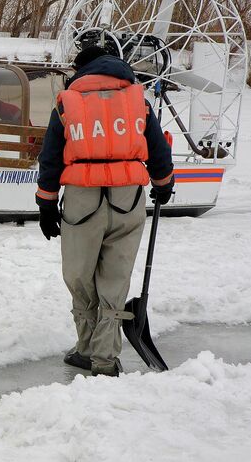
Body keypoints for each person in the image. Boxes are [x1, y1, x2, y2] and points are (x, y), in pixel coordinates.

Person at [35, 46, 175, 377]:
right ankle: (105, 359)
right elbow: (157, 149)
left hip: (83, 201)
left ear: (83, 69)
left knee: (80, 275)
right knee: (115, 278)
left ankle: (85, 349)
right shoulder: (138, 101)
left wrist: (46, 203)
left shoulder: (67, 102)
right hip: (128, 199)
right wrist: (164, 184)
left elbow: (51, 157)